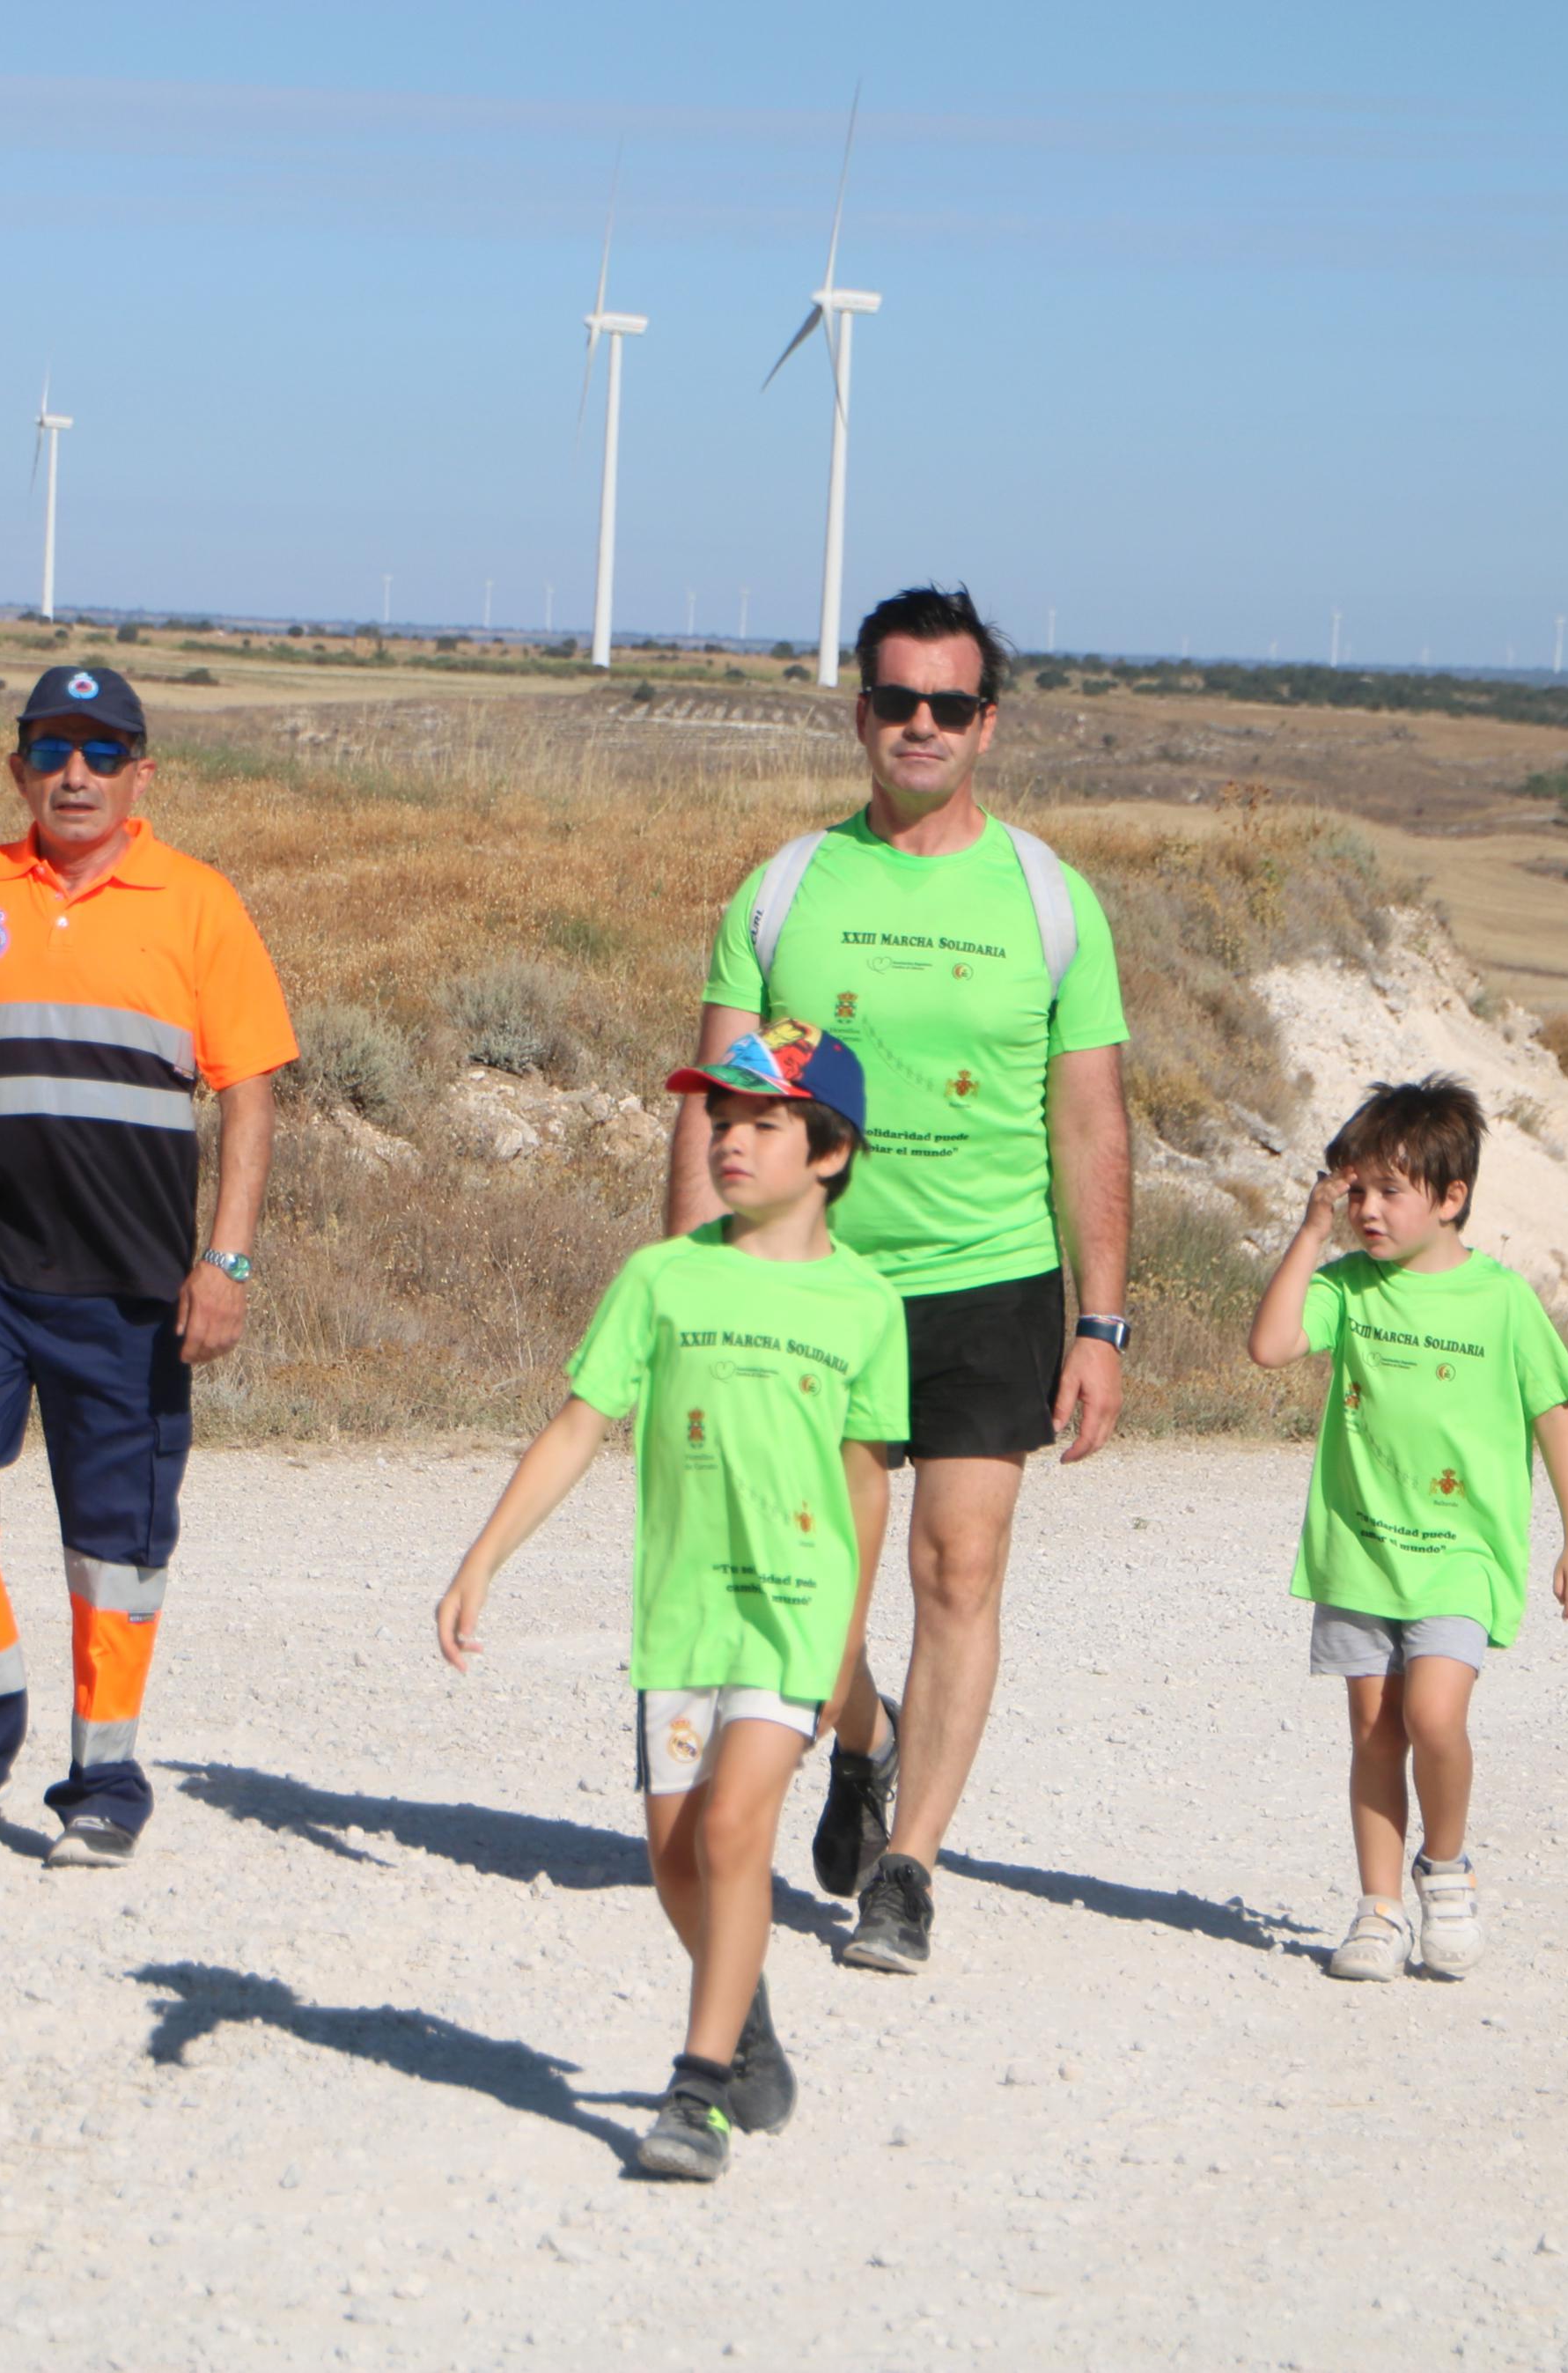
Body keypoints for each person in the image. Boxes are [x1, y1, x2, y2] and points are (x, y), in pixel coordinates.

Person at [668, 583, 1134, 1975]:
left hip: (993, 1279)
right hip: (817, 1280)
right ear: (856, 711)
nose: (916, 725)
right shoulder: (784, 886)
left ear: (985, 724)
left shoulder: (1050, 898)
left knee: (958, 1561)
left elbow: (1088, 1120)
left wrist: (1100, 1319)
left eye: (947, 704)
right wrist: (695, 1287)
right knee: (813, 1577)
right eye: (892, 700)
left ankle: (910, 1864)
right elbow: (715, 1111)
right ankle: (854, 1742)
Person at [439, 1021, 905, 2180]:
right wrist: (482, 1555)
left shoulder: (866, 1301)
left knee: (737, 1827)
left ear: (828, 1151)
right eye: (719, 1116)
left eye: (761, 1121)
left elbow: (863, 1486)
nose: (727, 1138)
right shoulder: (661, 1274)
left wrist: (841, 1641)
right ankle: (738, 2016)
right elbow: (578, 1424)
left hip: (792, 1614)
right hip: (680, 1613)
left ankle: (690, 2094)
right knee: (675, 1859)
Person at [0, 662, 298, 1868]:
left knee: (116, 1541)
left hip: (131, 1286)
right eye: (52, 748)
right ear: (17, 767)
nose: (75, 773)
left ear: (141, 774)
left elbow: (249, 1094)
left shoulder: (198, 904)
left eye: (103, 753)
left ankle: (103, 1777)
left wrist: (228, 1259)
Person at [1245, 1074, 1568, 1979]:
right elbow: (1270, 1345)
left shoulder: (1501, 1300)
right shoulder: (1347, 1286)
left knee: (1432, 1714)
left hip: (1461, 1553)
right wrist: (1307, 1233)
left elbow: (1555, 1415)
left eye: (1387, 1191)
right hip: (1359, 1548)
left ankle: (1442, 1871)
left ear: (1449, 1199)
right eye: (1356, 1189)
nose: (1366, 1210)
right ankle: (1376, 1909)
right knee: (1373, 1733)